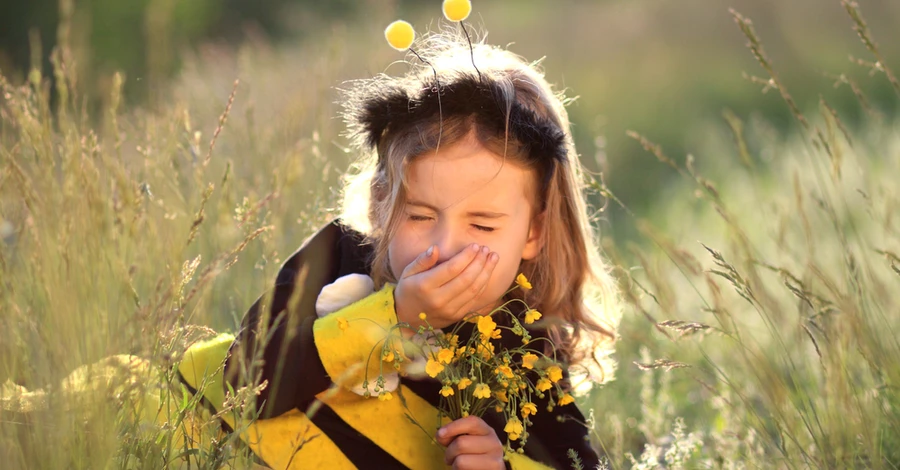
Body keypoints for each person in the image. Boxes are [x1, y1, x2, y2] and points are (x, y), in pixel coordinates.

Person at [221, 24, 620, 470]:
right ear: (380, 205)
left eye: (483, 226)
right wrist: (393, 318)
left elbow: (580, 463)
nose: (445, 247)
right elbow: (241, 385)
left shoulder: (525, 344)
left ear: (533, 233)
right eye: (420, 216)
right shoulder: (338, 255)